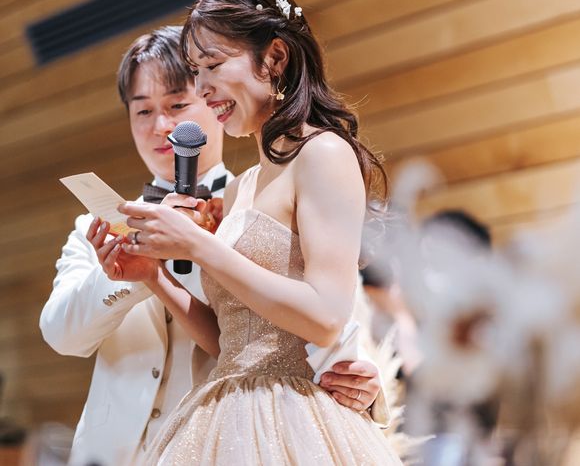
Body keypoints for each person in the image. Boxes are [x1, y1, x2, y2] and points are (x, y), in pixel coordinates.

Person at [40, 25, 385, 465]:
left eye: (177, 105)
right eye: (143, 111)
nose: (161, 126)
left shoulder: (261, 196)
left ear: (211, 96)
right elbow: (61, 335)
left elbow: (335, 314)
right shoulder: (99, 223)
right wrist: (143, 272)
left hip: (250, 436)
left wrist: (366, 381)